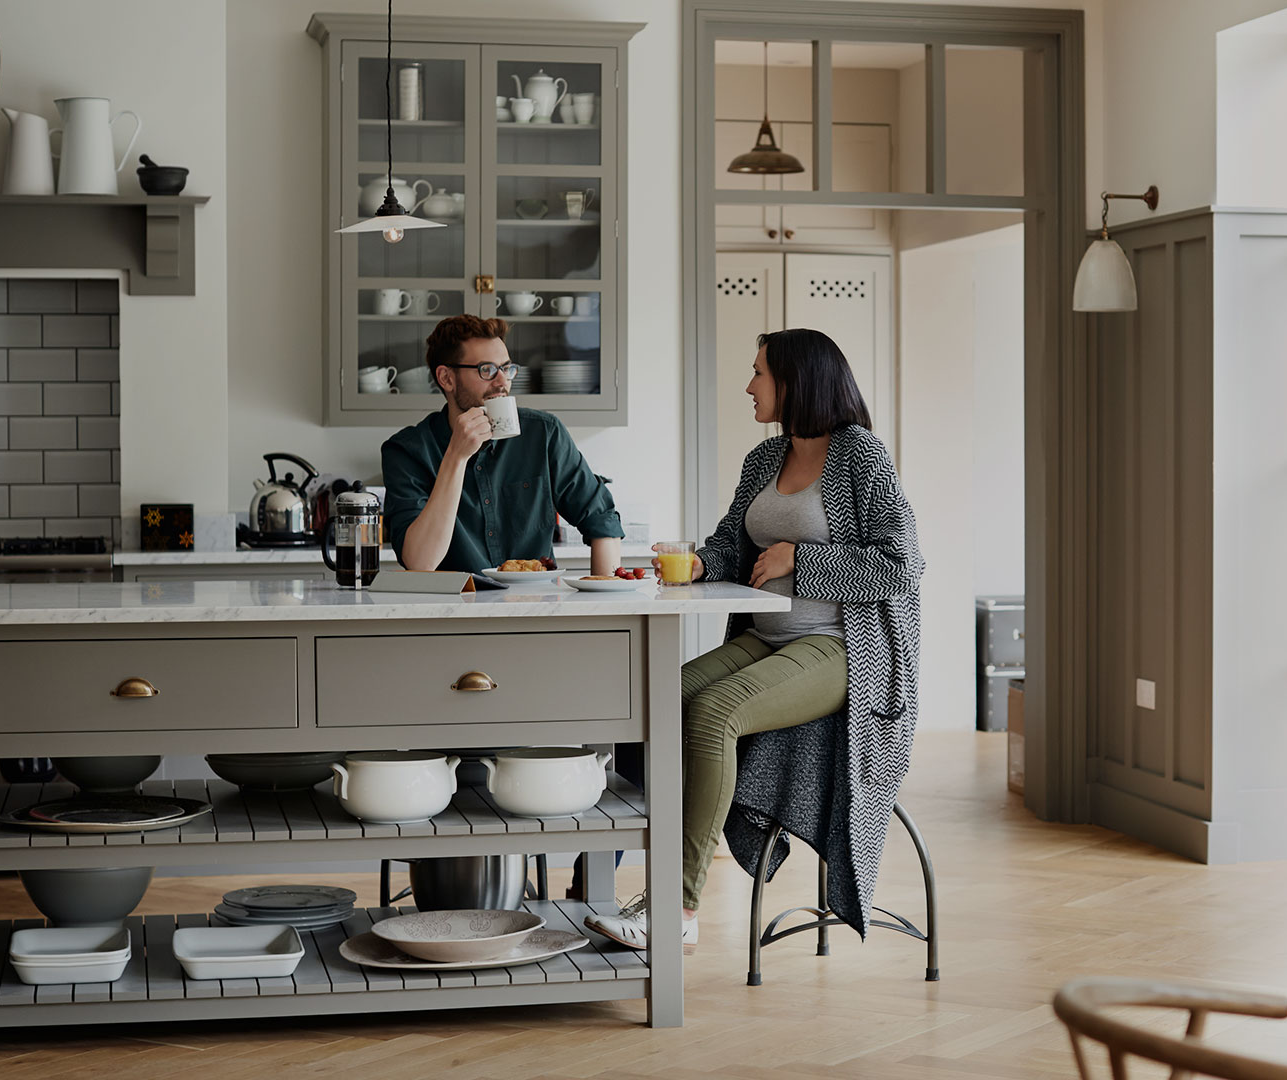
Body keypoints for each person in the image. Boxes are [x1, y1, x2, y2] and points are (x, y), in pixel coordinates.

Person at [586, 328, 924, 950]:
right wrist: (690, 562)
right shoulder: (764, 460)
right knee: (647, 697)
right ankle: (629, 875)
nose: (748, 385)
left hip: (842, 648)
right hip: (766, 637)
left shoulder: (861, 456)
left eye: (759, 373)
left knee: (712, 714)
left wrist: (804, 559)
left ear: (797, 381)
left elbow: (903, 564)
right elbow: (731, 545)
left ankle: (679, 911)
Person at [381, 315, 622, 575]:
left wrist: (603, 599)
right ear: (446, 378)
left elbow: (602, 520)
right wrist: (457, 456)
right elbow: (420, 562)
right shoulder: (406, 451)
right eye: (487, 370)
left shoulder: (543, 433)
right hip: (453, 609)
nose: (502, 382)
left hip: (536, 606)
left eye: (506, 369)